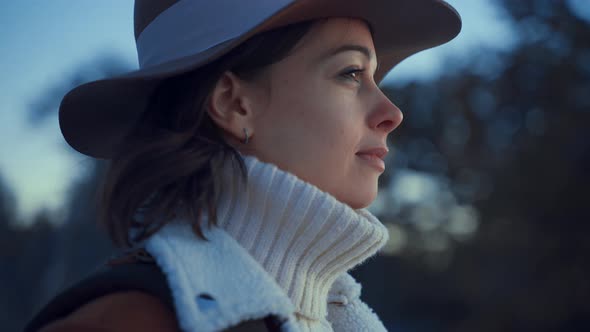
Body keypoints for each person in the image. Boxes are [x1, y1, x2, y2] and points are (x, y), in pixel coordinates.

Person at [26, 0, 461, 331]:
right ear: (234, 104)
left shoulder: (334, 316)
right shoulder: (128, 320)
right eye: (350, 73)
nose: (392, 112)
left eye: (374, 76)